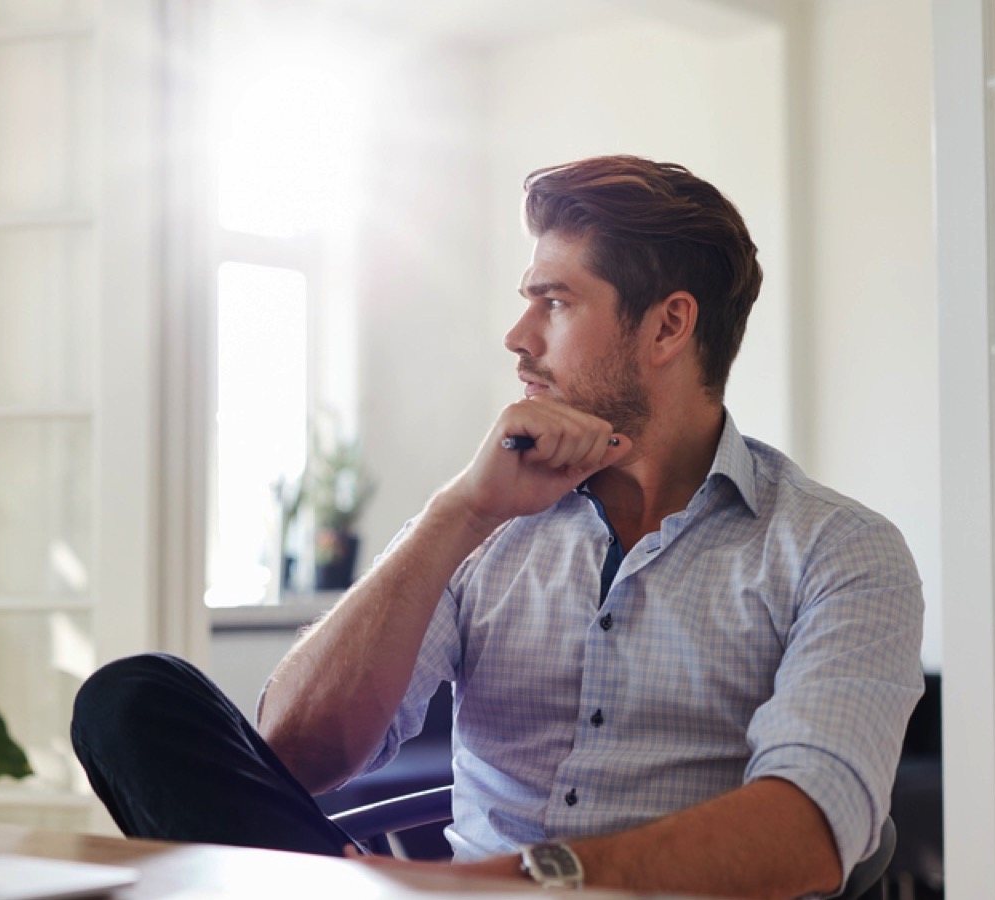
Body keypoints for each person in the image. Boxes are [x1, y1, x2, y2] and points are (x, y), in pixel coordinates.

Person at [71, 155, 924, 899]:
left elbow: (808, 831)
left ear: (668, 324)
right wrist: (458, 514)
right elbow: (294, 755)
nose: (518, 338)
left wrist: (484, 889)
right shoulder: (489, 521)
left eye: (554, 302)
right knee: (131, 699)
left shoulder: (837, 551)